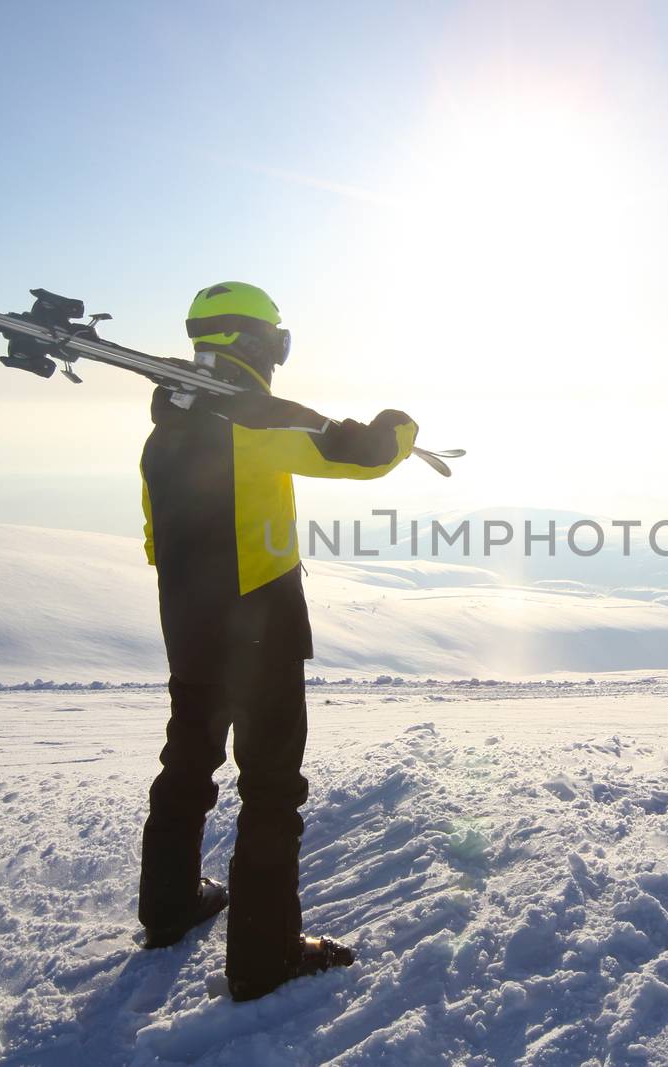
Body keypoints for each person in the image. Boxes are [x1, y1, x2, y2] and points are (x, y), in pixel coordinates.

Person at [137, 280, 417, 1001]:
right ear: (257, 343)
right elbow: (354, 451)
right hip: (258, 633)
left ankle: (168, 908)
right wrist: (402, 427)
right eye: (279, 342)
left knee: (188, 761)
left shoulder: (164, 429)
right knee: (270, 788)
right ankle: (264, 958)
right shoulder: (251, 416)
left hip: (188, 627)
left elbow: (152, 537)